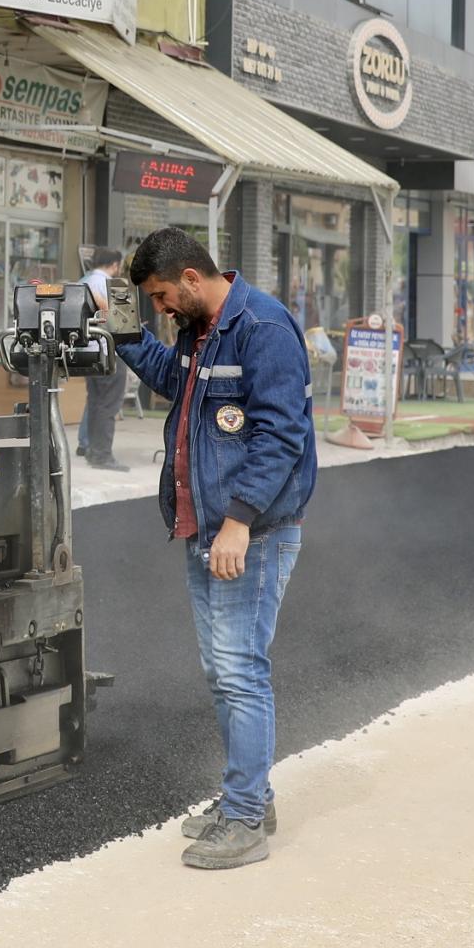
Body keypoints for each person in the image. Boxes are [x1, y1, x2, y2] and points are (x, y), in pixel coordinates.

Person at [115, 227, 315, 871]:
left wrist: (237, 521)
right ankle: (248, 798)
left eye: (162, 295)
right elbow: (177, 385)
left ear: (194, 280)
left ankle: (246, 820)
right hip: (208, 530)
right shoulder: (198, 333)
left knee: (240, 671)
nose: (160, 308)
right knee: (222, 672)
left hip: (248, 535)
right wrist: (123, 333)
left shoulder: (263, 329)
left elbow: (281, 436)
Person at [76, 247, 128, 469]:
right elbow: (123, 325)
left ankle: (91, 451)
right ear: (115, 264)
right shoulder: (112, 286)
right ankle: (102, 455)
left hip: (86, 353)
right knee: (109, 405)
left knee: (96, 402)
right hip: (109, 352)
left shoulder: (80, 282)